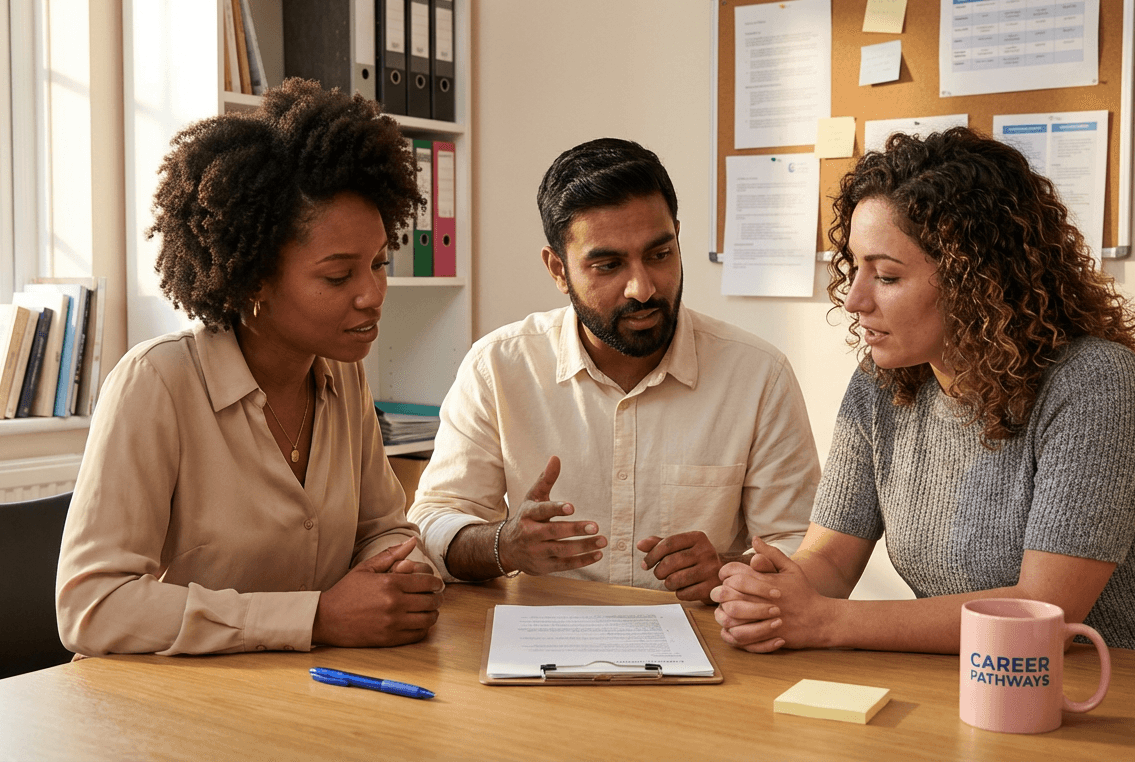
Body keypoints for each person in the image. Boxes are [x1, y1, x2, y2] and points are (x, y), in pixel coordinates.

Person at [712, 127, 1135, 657]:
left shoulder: (1097, 385)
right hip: (968, 685)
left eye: (888, 276)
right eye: (855, 267)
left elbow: (1044, 609)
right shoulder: (881, 384)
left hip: (1120, 696)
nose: (853, 300)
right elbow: (829, 560)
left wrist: (826, 622)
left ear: (975, 279)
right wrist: (776, 591)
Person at [56, 79, 443, 656]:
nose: (372, 293)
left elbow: (383, 527)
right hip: (180, 716)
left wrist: (401, 570)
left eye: (378, 264)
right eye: (338, 276)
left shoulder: (341, 372)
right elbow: (92, 607)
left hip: (309, 701)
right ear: (254, 278)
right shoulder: (156, 385)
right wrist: (315, 618)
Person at [407, 138, 820, 604]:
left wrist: (730, 572)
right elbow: (433, 523)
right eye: (608, 265)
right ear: (558, 269)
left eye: (660, 255)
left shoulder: (758, 376)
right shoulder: (498, 368)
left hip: (706, 644)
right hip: (541, 640)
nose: (642, 288)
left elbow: (801, 551)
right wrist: (504, 546)